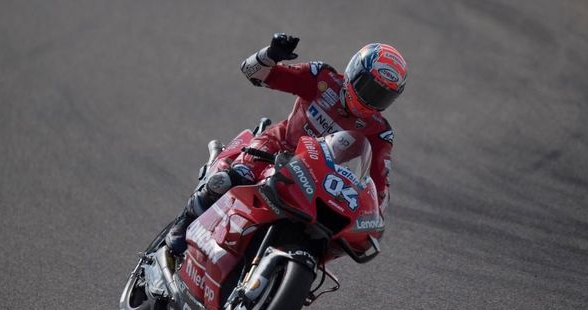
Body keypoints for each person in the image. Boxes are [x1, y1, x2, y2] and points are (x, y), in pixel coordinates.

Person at [165, 33, 408, 255]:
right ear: (354, 73)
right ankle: (183, 222)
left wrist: (372, 222)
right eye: (368, 88)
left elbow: (378, 189)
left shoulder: (380, 132)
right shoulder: (322, 78)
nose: (370, 100)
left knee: (328, 239)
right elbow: (253, 73)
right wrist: (270, 55)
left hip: (318, 181)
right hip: (276, 149)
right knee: (232, 178)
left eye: (382, 96)